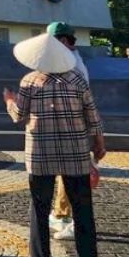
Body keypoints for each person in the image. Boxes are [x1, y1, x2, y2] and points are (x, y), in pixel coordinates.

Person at [4, 33, 105, 257]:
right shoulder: (77, 79)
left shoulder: (30, 81)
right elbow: (93, 116)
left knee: (39, 210)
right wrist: (99, 142)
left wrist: (9, 101)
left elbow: (19, 115)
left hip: (41, 153)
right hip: (75, 152)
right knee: (83, 210)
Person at [45, 22, 89, 242]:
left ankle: (76, 224)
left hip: (71, 126)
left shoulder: (69, 65)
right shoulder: (71, 60)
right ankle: (61, 214)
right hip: (70, 125)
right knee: (66, 172)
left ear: (63, 41)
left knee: (74, 176)